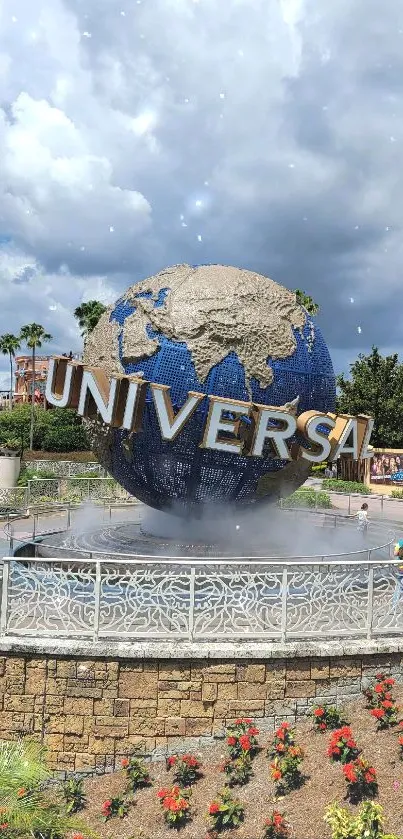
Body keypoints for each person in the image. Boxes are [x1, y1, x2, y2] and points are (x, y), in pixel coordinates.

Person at [392, 541, 403, 607]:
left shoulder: (400, 543)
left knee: (399, 585)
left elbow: (395, 553)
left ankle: (394, 604)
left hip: (401, 568)